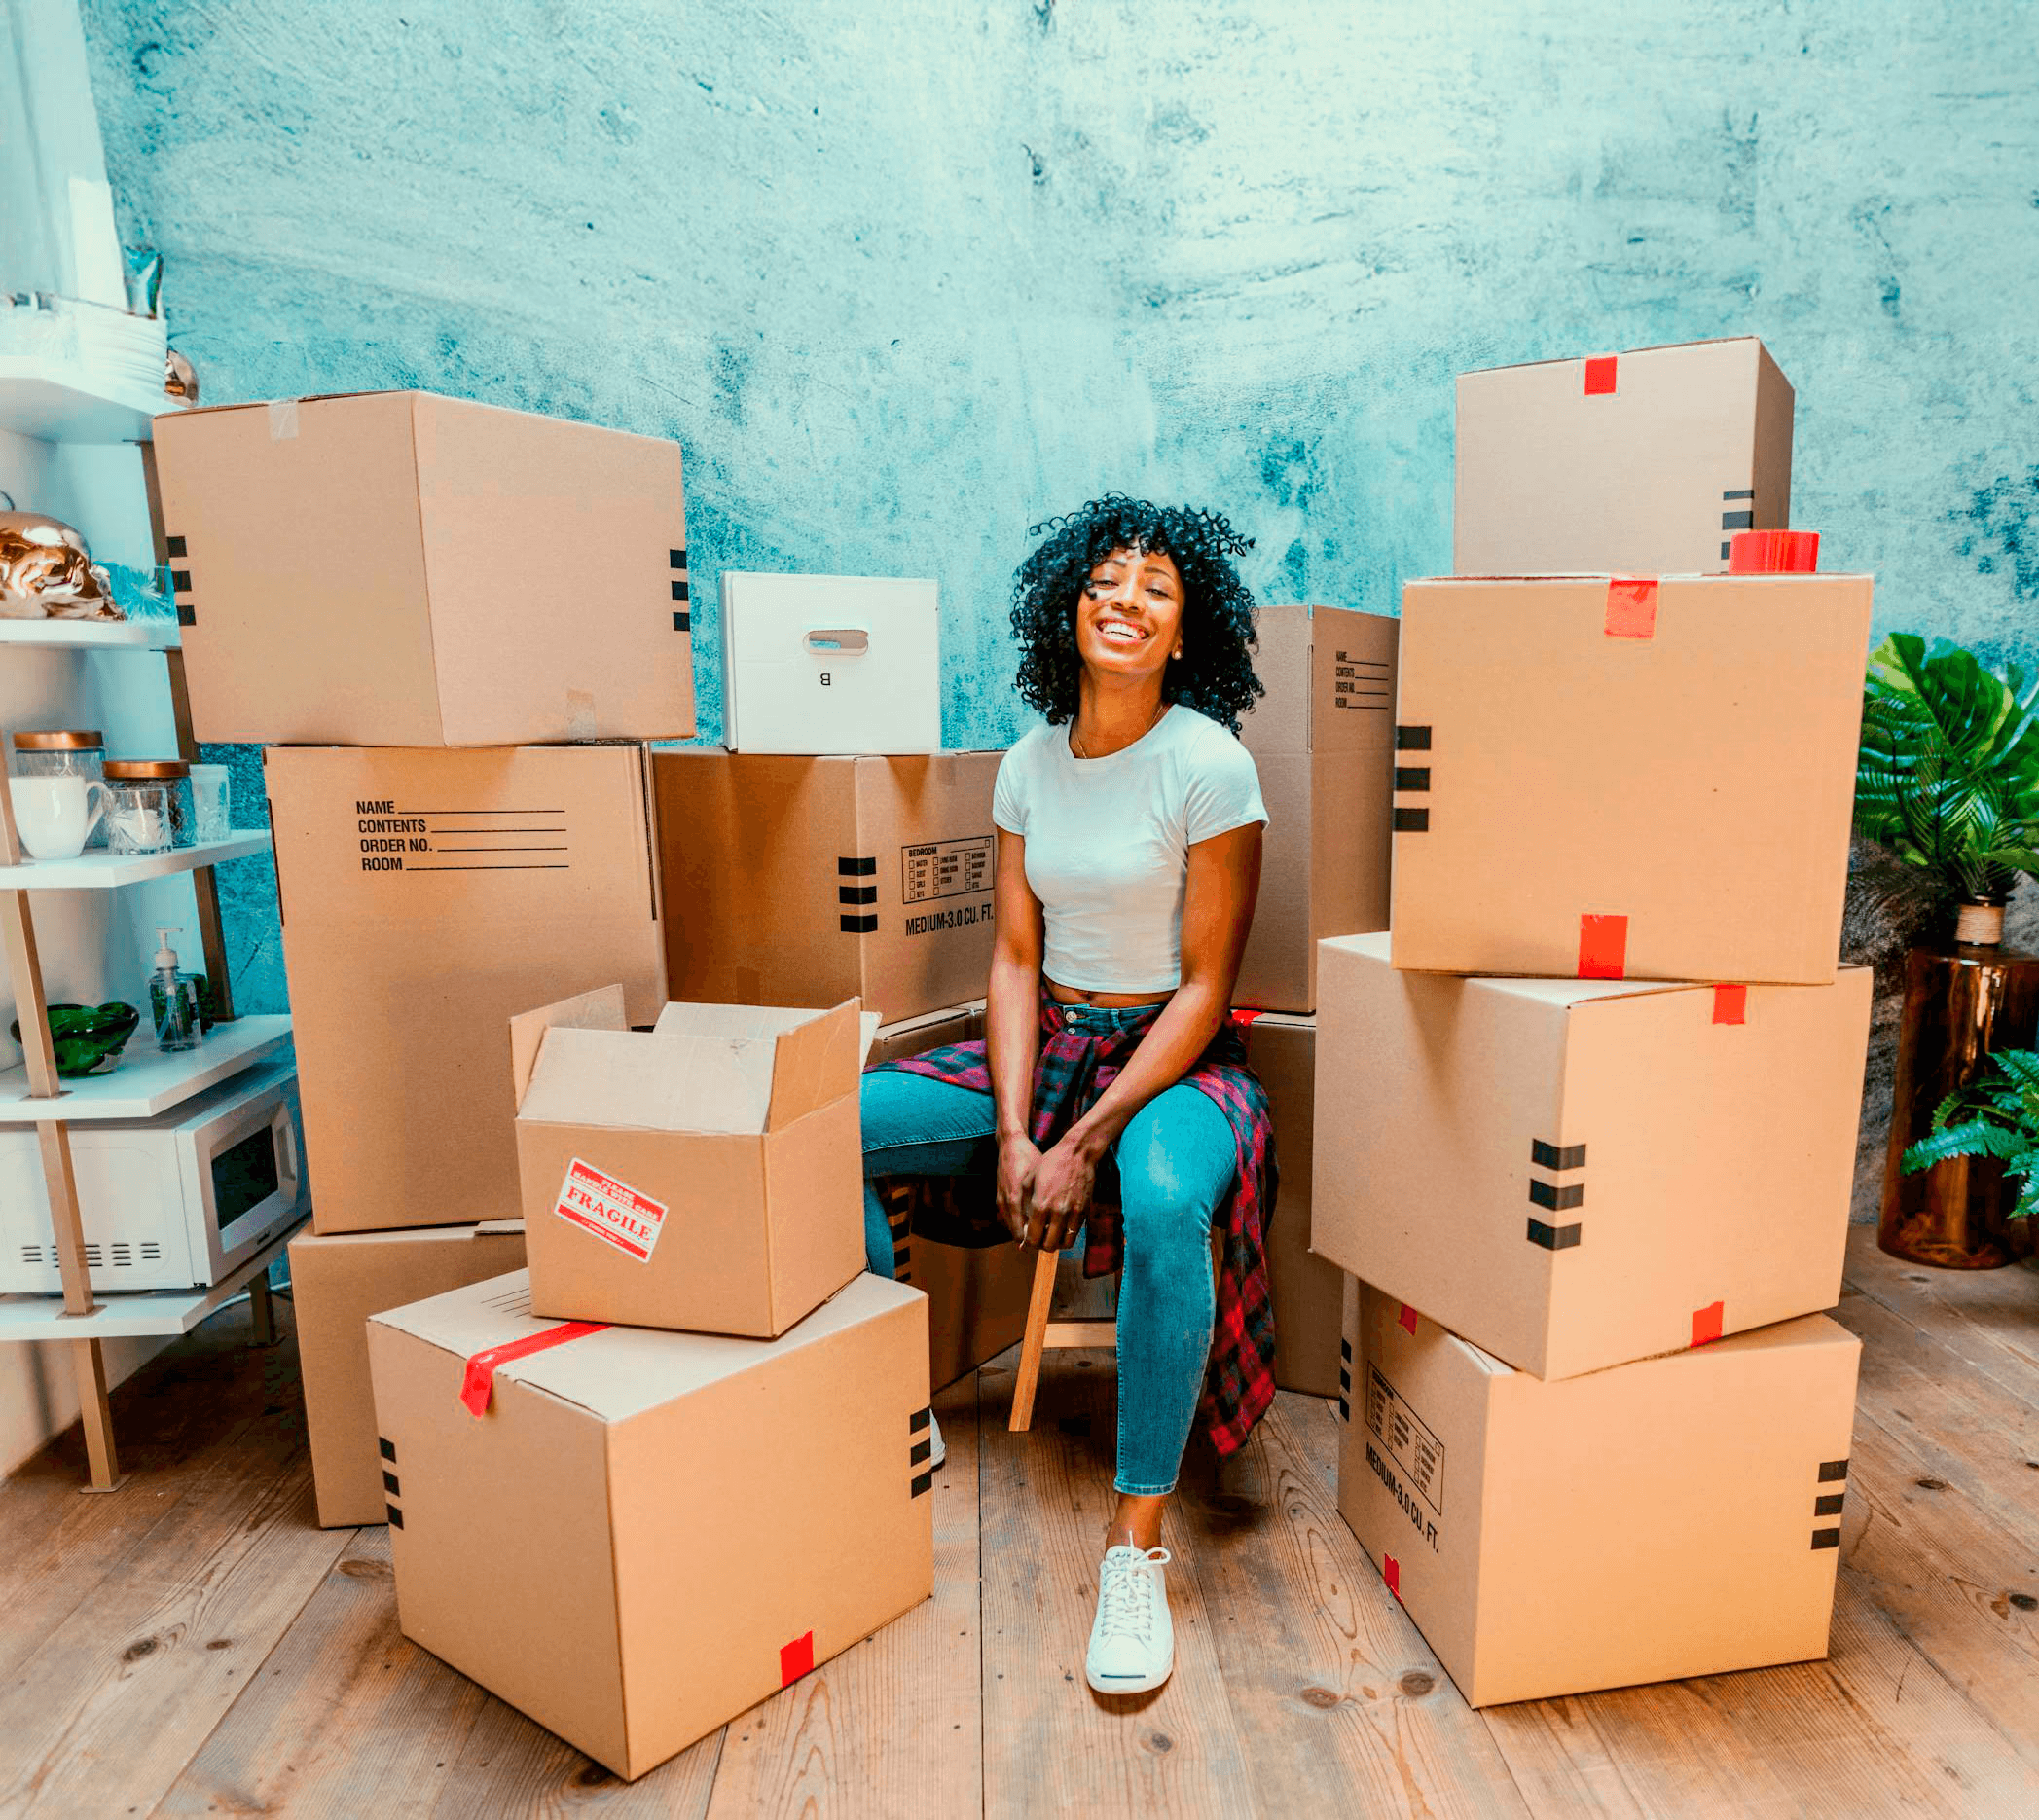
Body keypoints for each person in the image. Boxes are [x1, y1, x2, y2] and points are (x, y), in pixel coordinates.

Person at [858, 493, 1278, 1695]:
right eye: (1106, 579)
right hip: (1051, 1042)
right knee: (824, 1126)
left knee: (1156, 1196)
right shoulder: (1027, 763)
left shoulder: (1210, 763)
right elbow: (1012, 960)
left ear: (1187, 630)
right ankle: (889, 1406)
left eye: (1156, 587)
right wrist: (1008, 1128)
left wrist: (1083, 1135)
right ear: (1069, 605)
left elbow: (1206, 988)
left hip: (1174, 1059)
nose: (1126, 600)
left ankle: (1135, 1551)